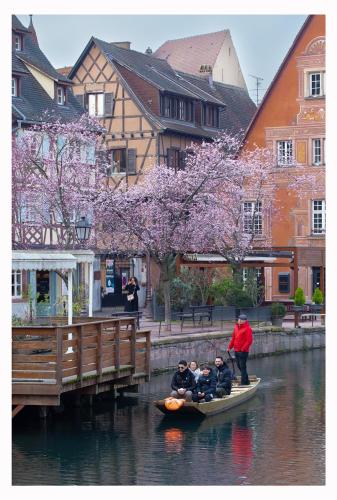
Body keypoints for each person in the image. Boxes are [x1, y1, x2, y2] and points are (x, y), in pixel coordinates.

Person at [227, 314, 253, 385]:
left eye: (241, 320)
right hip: (236, 350)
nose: (239, 321)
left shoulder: (248, 328)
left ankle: (243, 382)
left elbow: (249, 341)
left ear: (245, 321)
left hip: (243, 351)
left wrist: (243, 349)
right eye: (239, 319)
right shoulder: (236, 327)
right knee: (239, 366)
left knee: (242, 366)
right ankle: (246, 381)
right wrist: (229, 347)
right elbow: (233, 338)